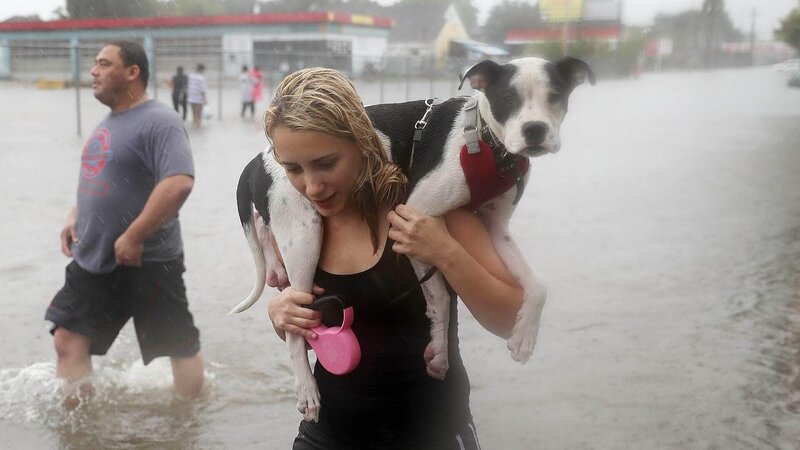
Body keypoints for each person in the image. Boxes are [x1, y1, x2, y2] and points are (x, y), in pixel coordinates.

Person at [264, 68, 523, 449]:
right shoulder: (299, 219)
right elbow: (319, 330)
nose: (311, 186)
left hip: (432, 435)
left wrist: (444, 252)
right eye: (293, 169)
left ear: (363, 142)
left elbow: (511, 322)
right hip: (328, 436)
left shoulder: (430, 205)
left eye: (325, 163)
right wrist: (282, 313)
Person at [45, 40, 204, 405]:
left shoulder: (160, 121)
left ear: (133, 72)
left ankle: (189, 425)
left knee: (177, 345)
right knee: (67, 339)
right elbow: (103, 179)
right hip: (95, 256)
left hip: (147, 259)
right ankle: (81, 427)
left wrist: (135, 235)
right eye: (95, 64)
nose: (93, 71)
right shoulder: (110, 121)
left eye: (103, 63)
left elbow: (179, 182)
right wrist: (75, 217)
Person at [187, 63, 207, 127]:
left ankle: (194, 123)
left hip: (191, 97)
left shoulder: (191, 76)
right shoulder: (201, 78)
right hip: (199, 98)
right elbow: (202, 90)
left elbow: (189, 86)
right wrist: (205, 99)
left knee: (193, 112)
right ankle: (198, 124)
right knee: (199, 112)